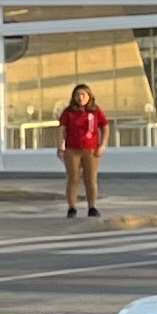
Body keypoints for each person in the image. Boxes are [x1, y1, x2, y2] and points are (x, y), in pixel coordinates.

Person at [57, 82, 107, 218]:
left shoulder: (95, 111)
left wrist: (103, 144)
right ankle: (72, 207)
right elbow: (62, 128)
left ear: (89, 96)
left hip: (91, 149)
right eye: (78, 95)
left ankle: (92, 207)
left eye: (83, 94)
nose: (81, 97)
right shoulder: (68, 112)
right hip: (72, 149)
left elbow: (105, 126)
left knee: (90, 179)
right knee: (73, 178)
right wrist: (60, 147)